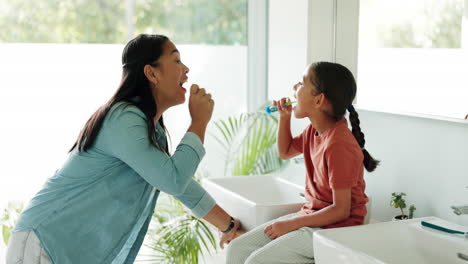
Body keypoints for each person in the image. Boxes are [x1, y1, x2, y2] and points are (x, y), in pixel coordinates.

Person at [6, 34, 241, 264]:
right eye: (177, 60)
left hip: (60, 248)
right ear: (151, 73)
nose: (186, 69)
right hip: (45, 242)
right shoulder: (124, 118)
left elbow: (180, 185)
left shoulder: (149, 128)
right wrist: (199, 122)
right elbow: (173, 180)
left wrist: (229, 226)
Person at [226, 62, 380, 264]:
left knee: (257, 261)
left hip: (338, 228)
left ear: (319, 100)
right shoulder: (313, 131)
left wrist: (292, 224)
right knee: (237, 248)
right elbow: (285, 151)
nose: (294, 88)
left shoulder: (339, 144)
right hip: (314, 218)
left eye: (301, 83)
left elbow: (341, 210)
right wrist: (284, 117)